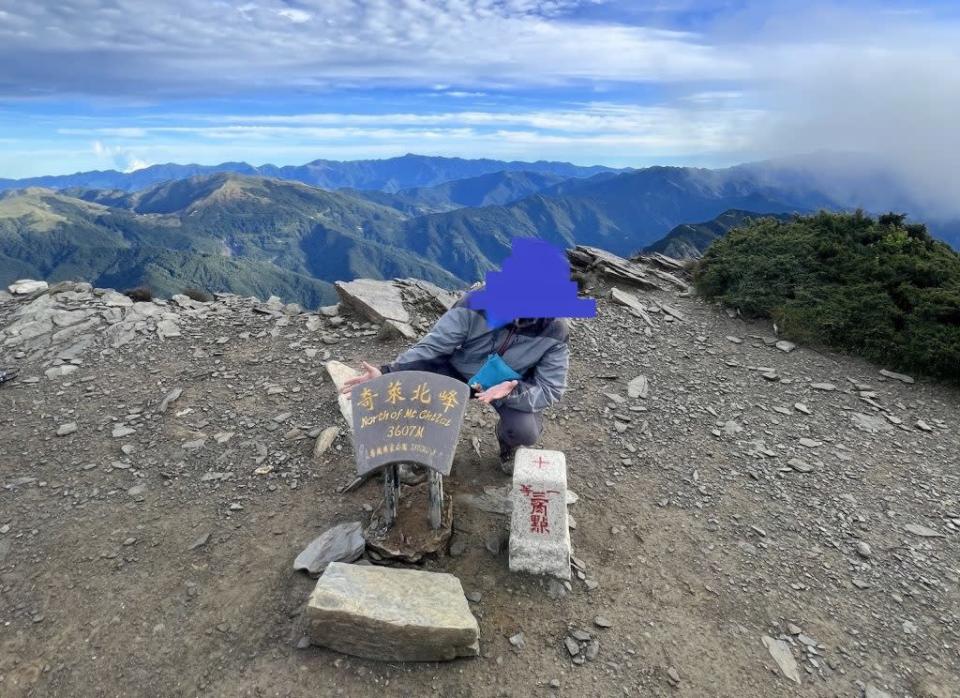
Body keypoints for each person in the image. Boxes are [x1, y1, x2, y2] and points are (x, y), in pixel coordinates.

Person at [341, 294, 570, 474]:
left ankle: (507, 442)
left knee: (524, 431)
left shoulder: (556, 330)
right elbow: (433, 346)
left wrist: (513, 391)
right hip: (458, 370)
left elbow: (550, 388)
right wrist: (387, 372)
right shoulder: (477, 302)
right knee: (418, 397)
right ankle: (421, 449)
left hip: (506, 386)